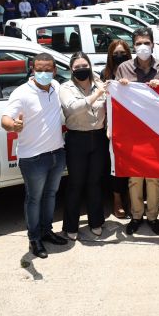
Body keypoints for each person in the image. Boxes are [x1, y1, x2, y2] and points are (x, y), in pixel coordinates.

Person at [1, 53, 68, 259]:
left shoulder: (57, 87)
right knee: (34, 199)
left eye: (48, 69)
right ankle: (34, 238)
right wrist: (14, 125)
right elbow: (5, 119)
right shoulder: (21, 93)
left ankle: (47, 231)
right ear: (33, 70)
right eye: (39, 69)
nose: (44, 73)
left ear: (55, 70)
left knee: (50, 195)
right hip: (33, 159)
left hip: (57, 153)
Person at [115, 27, 159, 236]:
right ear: (134, 46)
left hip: (156, 131)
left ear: (152, 44)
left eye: (147, 43)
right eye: (139, 43)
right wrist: (121, 87)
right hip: (132, 132)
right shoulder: (123, 68)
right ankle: (136, 216)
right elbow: (115, 99)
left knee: (153, 177)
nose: (143, 47)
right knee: (134, 178)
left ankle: (152, 217)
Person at [59, 52, 107, 240]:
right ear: (71, 69)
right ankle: (71, 226)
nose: (81, 70)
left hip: (99, 137)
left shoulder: (100, 85)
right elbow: (73, 108)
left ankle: (96, 222)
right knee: (75, 183)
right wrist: (97, 94)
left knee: (94, 182)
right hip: (77, 139)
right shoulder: (66, 88)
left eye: (84, 65)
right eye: (77, 67)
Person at [102, 40, 132, 219]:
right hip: (112, 126)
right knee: (114, 165)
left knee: (129, 165)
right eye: (116, 54)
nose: (120, 57)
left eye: (123, 53)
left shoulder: (133, 72)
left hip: (131, 127)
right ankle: (117, 200)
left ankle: (131, 197)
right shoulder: (104, 73)